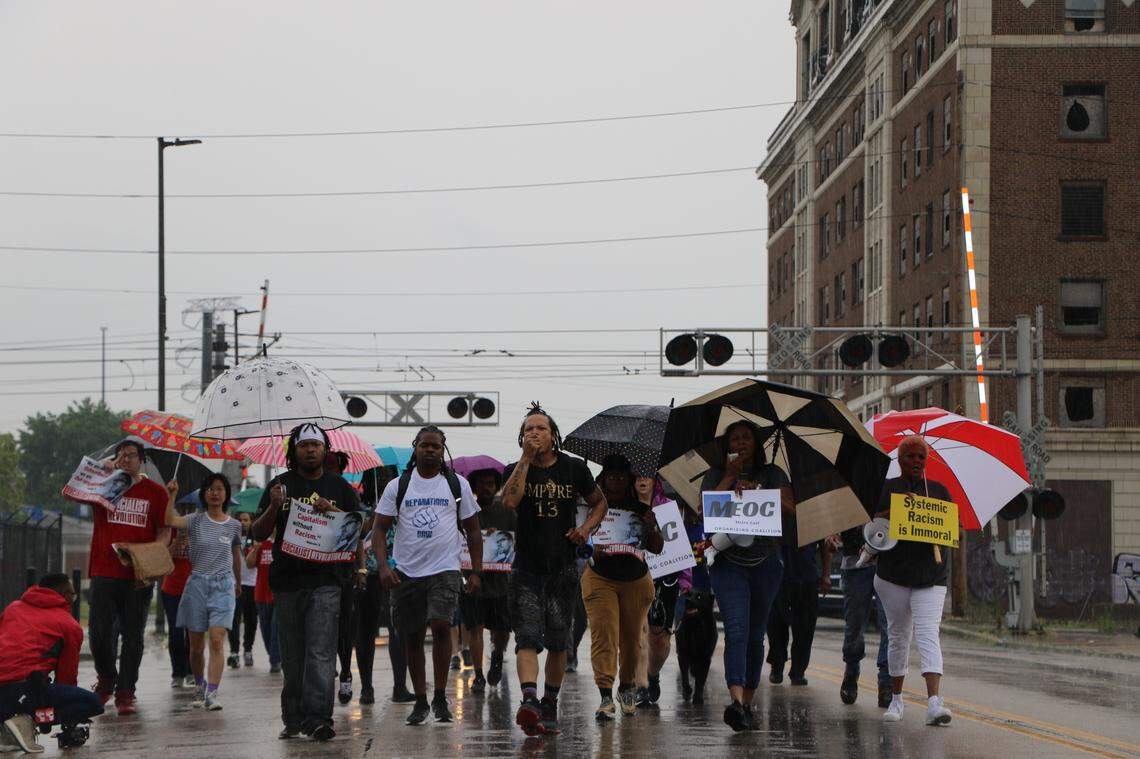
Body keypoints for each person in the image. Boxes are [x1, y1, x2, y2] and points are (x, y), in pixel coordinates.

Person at [501, 403, 608, 736]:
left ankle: (549, 703)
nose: (534, 433)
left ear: (553, 436)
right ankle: (529, 700)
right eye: (528, 429)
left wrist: (587, 528)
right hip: (526, 568)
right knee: (527, 638)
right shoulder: (514, 468)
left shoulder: (574, 469)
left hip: (562, 568)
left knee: (559, 642)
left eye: (540, 428)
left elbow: (599, 502)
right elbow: (510, 501)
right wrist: (525, 460)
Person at [252, 424, 363, 742]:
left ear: (325, 449)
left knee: (321, 651)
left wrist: (334, 512)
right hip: (287, 582)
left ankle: (319, 718)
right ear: (294, 451)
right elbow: (258, 534)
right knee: (293, 654)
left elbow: (357, 529)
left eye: (316, 445)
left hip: (327, 582)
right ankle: (294, 717)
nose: (311, 451)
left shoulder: (340, 487)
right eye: (304, 446)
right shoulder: (279, 485)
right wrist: (274, 506)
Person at [373, 425, 483, 726]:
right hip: (406, 571)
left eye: (436, 446)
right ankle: (420, 700)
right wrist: (384, 566)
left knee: (441, 625)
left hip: (445, 569)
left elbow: (473, 531)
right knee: (412, 636)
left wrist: (475, 570)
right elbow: (379, 529)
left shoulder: (456, 485)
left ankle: (440, 697)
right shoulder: (399, 485)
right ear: (416, 448)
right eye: (425, 445)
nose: (430, 450)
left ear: (443, 449)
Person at [700, 420, 794, 732]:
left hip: (766, 562)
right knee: (736, 631)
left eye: (746, 438)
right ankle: (736, 700)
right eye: (735, 439)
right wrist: (730, 478)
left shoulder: (774, 475)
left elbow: (792, 507)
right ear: (727, 445)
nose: (741, 443)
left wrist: (762, 492)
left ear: (757, 444)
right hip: (729, 563)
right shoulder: (716, 474)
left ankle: (749, 702)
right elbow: (706, 511)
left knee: (755, 635)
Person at [874, 435, 953, 726]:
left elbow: (951, 529)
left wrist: (931, 517)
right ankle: (896, 699)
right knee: (898, 636)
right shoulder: (887, 489)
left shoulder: (939, 492)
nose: (916, 461)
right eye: (910, 456)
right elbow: (873, 526)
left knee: (928, 634)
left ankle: (934, 702)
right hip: (893, 576)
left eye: (921, 456)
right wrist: (897, 511)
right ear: (899, 459)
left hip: (930, 577)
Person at [87, 440, 170, 714]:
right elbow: (72, 491)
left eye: (130, 455)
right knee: (99, 632)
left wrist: (152, 553)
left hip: (138, 574)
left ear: (141, 461)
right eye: (120, 455)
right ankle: (106, 679)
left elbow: (164, 531)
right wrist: (101, 471)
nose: (124, 459)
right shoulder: (105, 487)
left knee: (133, 634)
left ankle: (125, 691)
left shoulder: (156, 493)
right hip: (103, 569)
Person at [582, 455, 663, 721]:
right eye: (611, 474)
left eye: (621, 474)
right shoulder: (592, 507)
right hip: (600, 577)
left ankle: (626, 687)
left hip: (636, 581)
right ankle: (605, 695)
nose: (616, 479)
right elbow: (578, 539)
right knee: (603, 635)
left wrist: (651, 525)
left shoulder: (641, 509)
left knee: (631, 642)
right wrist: (594, 550)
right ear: (602, 479)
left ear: (629, 479)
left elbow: (657, 547)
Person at [164, 473, 243, 711]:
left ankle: (212, 693)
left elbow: (236, 556)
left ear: (226, 494)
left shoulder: (234, 525)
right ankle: (199, 686)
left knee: (217, 640)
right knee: (196, 647)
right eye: (210, 489)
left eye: (219, 489)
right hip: (196, 585)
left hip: (223, 586)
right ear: (204, 494)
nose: (215, 493)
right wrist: (172, 495)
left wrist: (238, 583)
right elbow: (169, 519)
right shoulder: (194, 520)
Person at [0, 575, 103, 753]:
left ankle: (6, 724)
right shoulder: (68, 625)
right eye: (73, 594)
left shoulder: (13, 609)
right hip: (25, 688)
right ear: (63, 594)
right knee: (92, 702)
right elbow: (66, 677)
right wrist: (60, 720)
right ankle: (27, 721)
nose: (74, 598)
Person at [460, 467, 517, 695]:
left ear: (497, 486)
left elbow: (516, 539)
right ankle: (479, 675)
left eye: (490, 483)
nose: (486, 487)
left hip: (501, 580)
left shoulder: (506, 510)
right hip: (472, 579)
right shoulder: (464, 511)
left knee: (502, 629)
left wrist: (498, 534)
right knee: (475, 628)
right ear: (474, 487)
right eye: (482, 483)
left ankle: (497, 654)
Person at [766, 516, 832, 687]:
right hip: (779, 577)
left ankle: (798, 671)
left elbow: (825, 546)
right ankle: (777, 665)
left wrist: (826, 575)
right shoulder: (776, 511)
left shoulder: (813, 513)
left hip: (807, 578)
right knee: (775, 624)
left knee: (805, 628)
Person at [837, 524, 891, 707]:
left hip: (888, 560)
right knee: (854, 624)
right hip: (855, 560)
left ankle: (886, 682)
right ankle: (851, 670)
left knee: (888, 625)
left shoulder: (893, 493)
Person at [634, 475, 676, 706]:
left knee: (659, 641)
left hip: (665, 579)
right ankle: (641, 683)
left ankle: (652, 674)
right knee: (639, 632)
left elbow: (678, 549)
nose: (642, 479)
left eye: (647, 474)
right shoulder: (621, 505)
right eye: (637, 474)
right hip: (633, 575)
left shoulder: (668, 507)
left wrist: (686, 580)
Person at [159, 501, 194, 689]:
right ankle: (177, 673)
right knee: (175, 633)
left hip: (193, 590)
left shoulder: (198, 532)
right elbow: (165, 557)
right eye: (183, 510)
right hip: (171, 590)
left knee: (192, 633)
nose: (186, 513)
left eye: (189, 510)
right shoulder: (170, 530)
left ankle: (191, 671)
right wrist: (178, 540)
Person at [246, 532, 281, 674]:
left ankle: (275, 660)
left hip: (279, 594)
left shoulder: (284, 542)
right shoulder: (260, 542)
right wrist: (255, 549)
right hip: (261, 593)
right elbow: (249, 564)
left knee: (276, 629)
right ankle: (274, 656)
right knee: (266, 630)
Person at [228, 511, 259, 670]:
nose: (243, 523)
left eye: (246, 520)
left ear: (251, 522)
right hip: (233, 584)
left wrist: (253, 549)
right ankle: (234, 652)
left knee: (251, 620)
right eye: (239, 520)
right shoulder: (231, 538)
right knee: (233, 620)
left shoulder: (255, 539)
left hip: (252, 584)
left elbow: (254, 563)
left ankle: (248, 649)